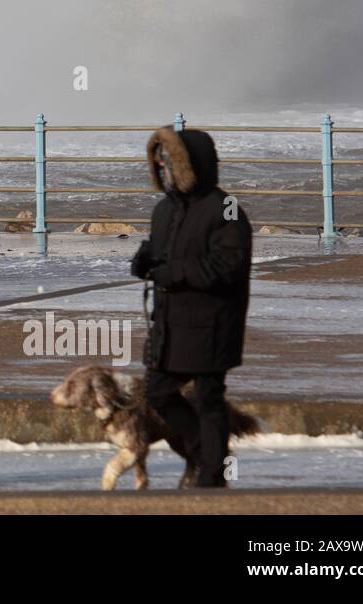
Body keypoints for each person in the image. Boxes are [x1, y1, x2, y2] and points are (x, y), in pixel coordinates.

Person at [130, 125, 252, 488]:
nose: (164, 169)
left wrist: (174, 273)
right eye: (159, 163)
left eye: (169, 162)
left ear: (190, 164)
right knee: (158, 392)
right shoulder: (164, 210)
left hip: (213, 319)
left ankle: (212, 475)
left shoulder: (225, 208)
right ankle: (206, 455)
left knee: (209, 396)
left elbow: (229, 264)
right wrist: (145, 260)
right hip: (171, 321)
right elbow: (161, 251)